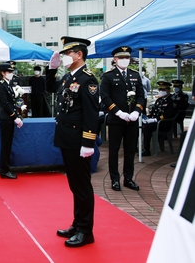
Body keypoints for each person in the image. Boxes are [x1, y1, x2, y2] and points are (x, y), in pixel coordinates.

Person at [46, 36, 99, 248]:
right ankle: (77, 224)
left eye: (68, 53)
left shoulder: (88, 79)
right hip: (67, 139)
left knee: (82, 187)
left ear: (79, 55)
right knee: (75, 185)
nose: (65, 57)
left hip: (79, 141)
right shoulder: (69, 77)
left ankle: (86, 232)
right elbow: (51, 88)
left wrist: (88, 143)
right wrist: (52, 69)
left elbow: (91, 114)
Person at [100, 46, 145, 192]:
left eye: (127, 58)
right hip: (116, 119)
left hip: (131, 119)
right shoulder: (108, 76)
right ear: (115, 59)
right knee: (114, 149)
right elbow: (105, 97)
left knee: (130, 149)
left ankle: (128, 178)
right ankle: (114, 179)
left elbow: (141, 96)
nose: (125, 60)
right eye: (121, 58)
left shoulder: (135, 75)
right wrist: (118, 112)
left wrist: (137, 111)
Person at [0, 62, 24, 179]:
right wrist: (15, 117)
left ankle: (6, 169)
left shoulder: (8, 84)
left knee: (8, 144)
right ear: (3, 73)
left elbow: (12, 102)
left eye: (12, 72)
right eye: (9, 72)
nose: (11, 74)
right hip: (6, 118)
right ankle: (4, 170)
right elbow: (5, 104)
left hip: (9, 118)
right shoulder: (1, 85)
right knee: (6, 145)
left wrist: (17, 115)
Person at [142, 81, 177, 156]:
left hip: (164, 123)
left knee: (147, 127)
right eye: (160, 89)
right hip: (156, 121)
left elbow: (169, 115)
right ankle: (135, 147)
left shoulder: (171, 101)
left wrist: (156, 119)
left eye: (163, 90)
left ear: (168, 90)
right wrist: (148, 117)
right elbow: (154, 111)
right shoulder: (159, 100)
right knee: (140, 124)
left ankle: (147, 149)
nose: (161, 91)